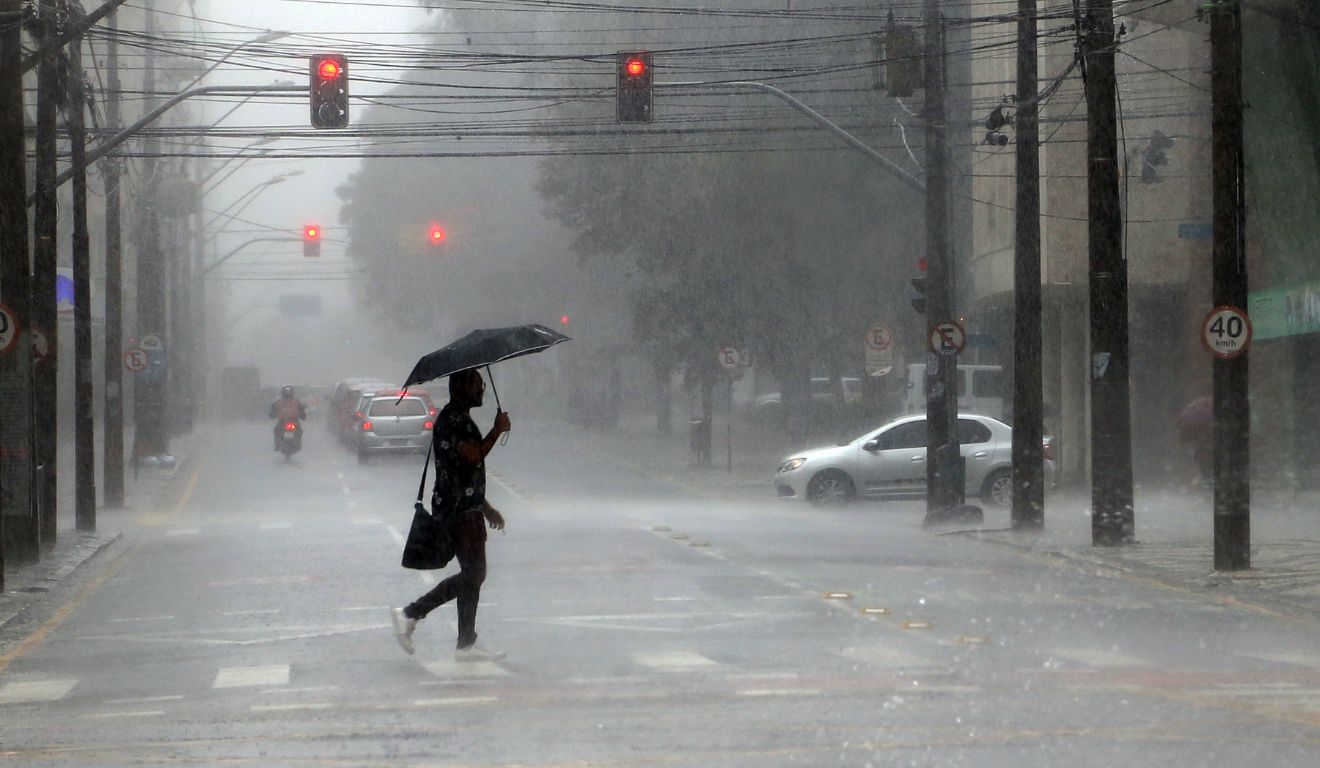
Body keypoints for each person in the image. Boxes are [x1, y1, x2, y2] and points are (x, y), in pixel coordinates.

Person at [392, 368, 511, 660]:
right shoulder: (452, 420)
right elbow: (473, 456)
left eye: (482, 384)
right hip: (457, 511)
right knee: (474, 573)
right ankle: (411, 613)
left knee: (474, 574)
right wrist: (497, 430)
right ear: (459, 388)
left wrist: (486, 507)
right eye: (476, 385)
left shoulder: (459, 417)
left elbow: (464, 472)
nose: (481, 389)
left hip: (466, 507)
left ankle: (466, 643)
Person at [269, 385, 306, 450]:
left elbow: (301, 409)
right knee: (277, 430)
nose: (287, 394)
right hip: (285, 421)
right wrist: (272, 414)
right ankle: (279, 443)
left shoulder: (295, 402)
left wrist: (302, 414)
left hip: (291, 421)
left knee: (298, 431)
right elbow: (273, 409)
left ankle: (296, 443)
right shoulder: (280, 402)